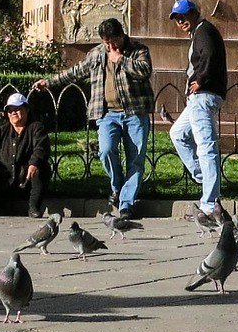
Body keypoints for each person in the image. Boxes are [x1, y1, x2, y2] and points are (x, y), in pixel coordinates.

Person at [33, 17, 154, 217]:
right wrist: (49, 82)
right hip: (107, 114)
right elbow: (76, 72)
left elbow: (145, 70)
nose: (110, 46)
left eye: (113, 41)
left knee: (136, 159)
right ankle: (118, 186)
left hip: (135, 113)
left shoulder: (138, 50)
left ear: (122, 36)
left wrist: (121, 60)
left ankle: (126, 204)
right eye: (106, 42)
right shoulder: (97, 53)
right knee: (105, 151)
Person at [167, 0, 226, 218]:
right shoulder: (199, 32)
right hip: (198, 97)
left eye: (183, 16)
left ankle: (210, 205)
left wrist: (200, 79)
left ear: (194, 13)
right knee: (178, 133)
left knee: (206, 148)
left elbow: (210, 56)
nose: (180, 21)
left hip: (204, 95)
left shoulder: (204, 31)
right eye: (176, 18)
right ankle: (207, 178)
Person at [0, 93, 49, 216]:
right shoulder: (1, 131)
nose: (13, 113)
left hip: (26, 178)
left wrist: (34, 163)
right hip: (5, 179)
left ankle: (33, 207)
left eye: (17, 109)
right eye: (10, 110)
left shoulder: (36, 128)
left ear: (26, 110)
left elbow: (41, 148)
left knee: (41, 168)